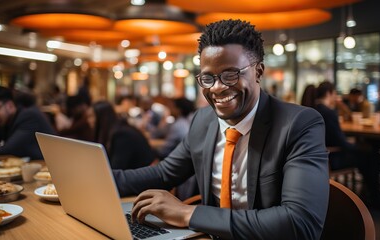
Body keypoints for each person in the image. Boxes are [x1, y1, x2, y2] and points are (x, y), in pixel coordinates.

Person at [112, 19, 329, 239]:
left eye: (231, 74)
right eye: (208, 78)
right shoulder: (204, 120)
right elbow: (164, 173)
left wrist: (188, 213)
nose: (217, 87)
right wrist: (101, 179)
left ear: (258, 71)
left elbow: (300, 223)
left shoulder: (299, 124)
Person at [313, 81, 380, 205]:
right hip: (332, 158)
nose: (335, 97)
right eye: (334, 94)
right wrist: (359, 147)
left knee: (366, 153)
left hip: (319, 157)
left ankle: (368, 194)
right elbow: (342, 143)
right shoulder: (329, 113)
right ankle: (375, 198)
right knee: (369, 155)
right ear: (329, 93)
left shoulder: (312, 110)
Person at [0, 86, 55, 159]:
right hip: (28, 164)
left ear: (9, 105)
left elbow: (10, 149)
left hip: (47, 165)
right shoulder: (3, 120)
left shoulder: (29, 116)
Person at [87, 100, 155, 170]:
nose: (89, 120)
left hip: (143, 176)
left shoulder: (121, 135)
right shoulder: (116, 129)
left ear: (102, 117)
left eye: (91, 116)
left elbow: (116, 169)